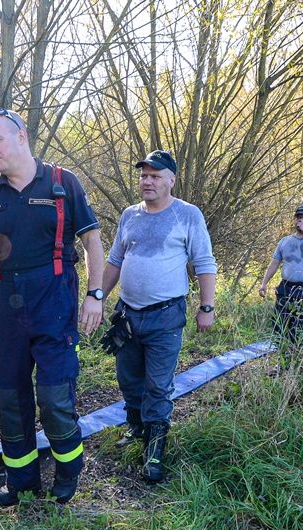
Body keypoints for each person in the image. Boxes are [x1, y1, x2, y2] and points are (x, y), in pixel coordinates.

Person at [0, 107, 104, 506]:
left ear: (21, 137)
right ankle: (21, 479)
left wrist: (95, 294)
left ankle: (69, 468)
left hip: (54, 301)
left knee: (55, 395)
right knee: (10, 393)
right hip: (9, 306)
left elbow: (92, 240)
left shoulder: (62, 183)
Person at [100, 150, 217, 482]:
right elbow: (115, 261)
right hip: (127, 315)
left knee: (158, 385)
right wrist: (96, 297)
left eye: (154, 175)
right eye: (143, 175)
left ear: (171, 180)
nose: (147, 181)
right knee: (128, 379)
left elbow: (205, 263)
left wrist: (206, 307)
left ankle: (154, 449)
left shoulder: (187, 215)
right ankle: (136, 427)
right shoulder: (129, 216)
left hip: (166, 316)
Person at [258, 205, 303, 339]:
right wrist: (264, 283)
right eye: (298, 218)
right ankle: (284, 354)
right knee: (281, 326)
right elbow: (274, 263)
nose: (300, 221)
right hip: (286, 288)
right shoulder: (285, 241)